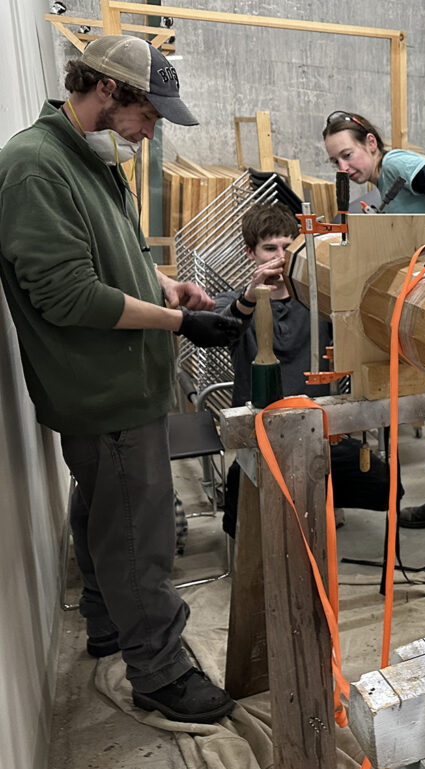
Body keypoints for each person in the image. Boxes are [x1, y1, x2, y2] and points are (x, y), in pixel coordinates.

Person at [0, 35, 243, 724]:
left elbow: (110, 258)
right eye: (150, 113)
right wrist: (177, 327)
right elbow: (69, 295)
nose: (153, 127)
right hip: (102, 388)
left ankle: (108, 623)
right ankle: (160, 674)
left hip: (114, 382)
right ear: (108, 90)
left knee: (103, 509)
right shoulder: (35, 166)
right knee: (139, 534)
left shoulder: (87, 158)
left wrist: (168, 286)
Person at [322, 111, 425, 568]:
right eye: (335, 161)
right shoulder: (380, 192)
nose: (344, 168)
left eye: (348, 154)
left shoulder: (395, 163)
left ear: (371, 143)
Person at [216, 203, 395, 536]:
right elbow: (218, 327)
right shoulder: (234, 302)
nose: (280, 256)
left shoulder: (319, 304)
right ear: (250, 253)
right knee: (238, 525)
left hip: (318, 435)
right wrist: (251, 298)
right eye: (270, 248)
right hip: (260, 442)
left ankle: (321, 500)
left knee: (387, 488)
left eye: (287, 247)